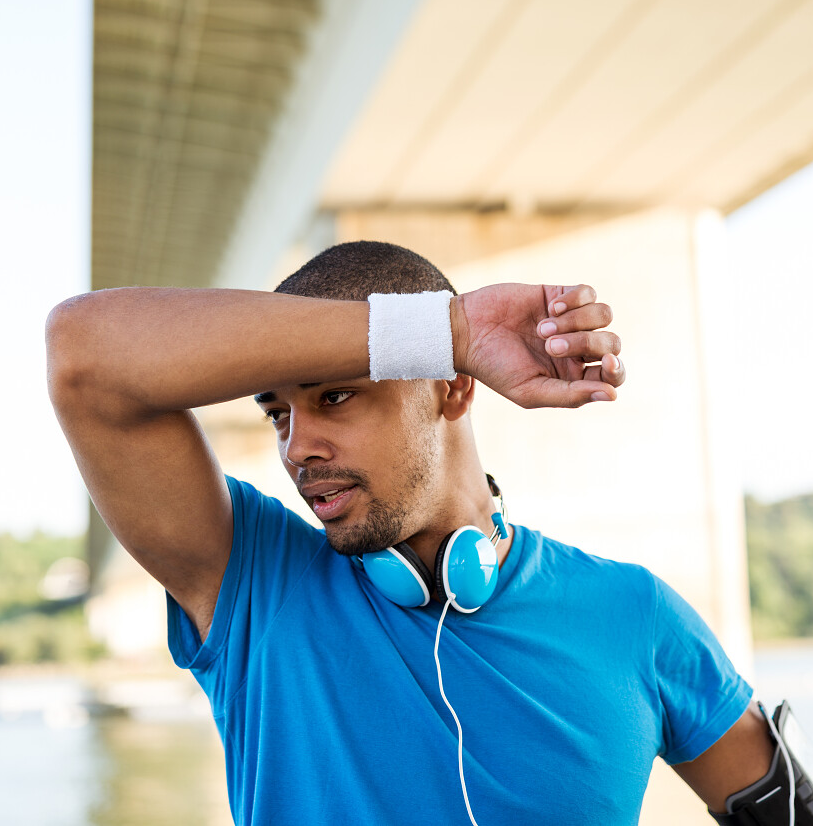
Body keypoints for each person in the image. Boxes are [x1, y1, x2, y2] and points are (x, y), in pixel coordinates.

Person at [45, 240, 775, 825]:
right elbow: (84, 356)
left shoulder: (635, 616)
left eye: (336, 395)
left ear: (453, 386)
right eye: (278, 413)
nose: (298, 447)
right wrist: (449, 329)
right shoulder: (253, 586)